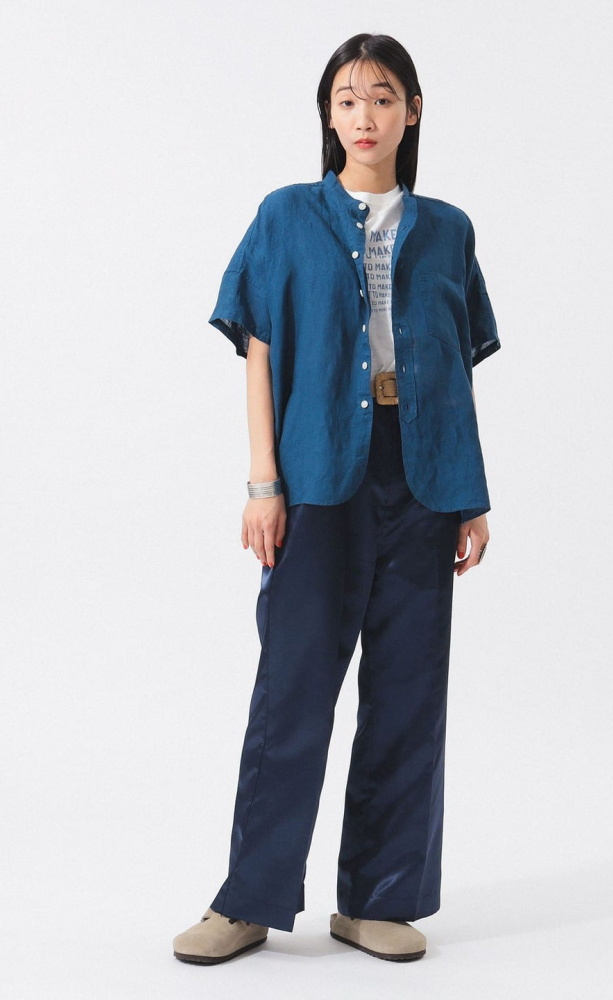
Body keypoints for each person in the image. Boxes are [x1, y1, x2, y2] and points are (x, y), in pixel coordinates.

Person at [172, 32, 501, 966]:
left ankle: (380, 899)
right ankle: (248, 899)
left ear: (413, 112)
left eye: (383, 98)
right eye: (349, 99)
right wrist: (262, 481)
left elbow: (455, 370)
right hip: (316, 476)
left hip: (423, 475)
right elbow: (260, 349)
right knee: (294, 689)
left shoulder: (449, 230)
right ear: (328, 114)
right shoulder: (286, 216)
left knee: (408, 694)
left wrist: (469, 496)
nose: (365, 116)